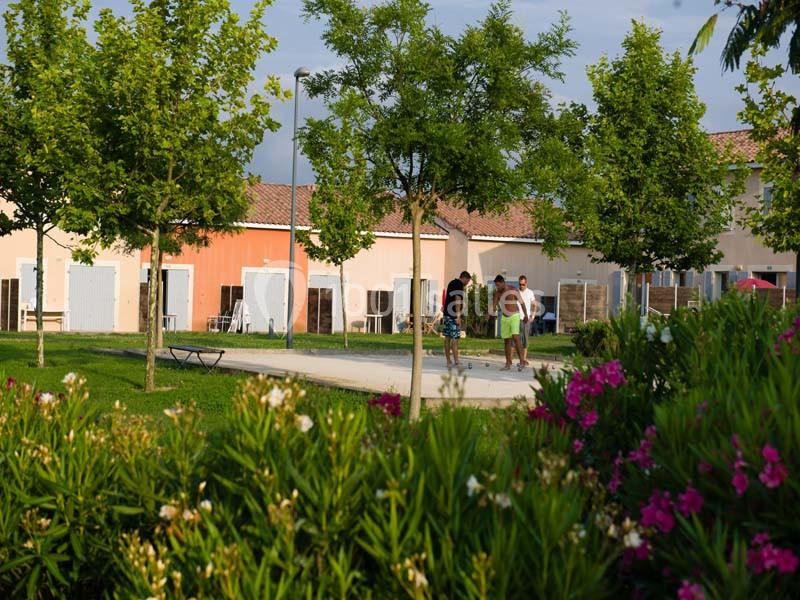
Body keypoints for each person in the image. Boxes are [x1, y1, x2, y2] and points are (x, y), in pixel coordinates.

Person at [491, 274, 528, 371]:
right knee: (506, 340)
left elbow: (522, 303)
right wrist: (489, 314)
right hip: (504, 318)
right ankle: (508, 363)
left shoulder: (513, 290)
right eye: (496, 285)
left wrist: (526, 315)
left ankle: (521, 362)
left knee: (516, 337)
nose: (497, 287)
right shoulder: (497, 293)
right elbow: (493, 306)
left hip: (514, 316)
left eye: (498, 285)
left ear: (503, 282)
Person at [443, 271, 471, 367]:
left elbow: (448, 298)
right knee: (455, 338)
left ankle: (448, 361)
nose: (467, 283)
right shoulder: (459, 285)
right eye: (467, 281)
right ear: (464, 278)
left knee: (447, 337)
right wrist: (458, 316)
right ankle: (456, 361)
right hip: (453, 315)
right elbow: (457, 300)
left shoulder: (451, 282)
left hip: (446, 314)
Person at [517, 275, 536, 365]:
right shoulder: (516, 292)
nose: (521, 286)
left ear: (526, 283)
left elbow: (534, 305)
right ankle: (519, 359)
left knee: (525, 340)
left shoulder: (530, 292)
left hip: (526, 319)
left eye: (523, 284)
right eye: (520, 284)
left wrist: (533, 315)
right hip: (516, 318)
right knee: (516, 340)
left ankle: (524, 359)